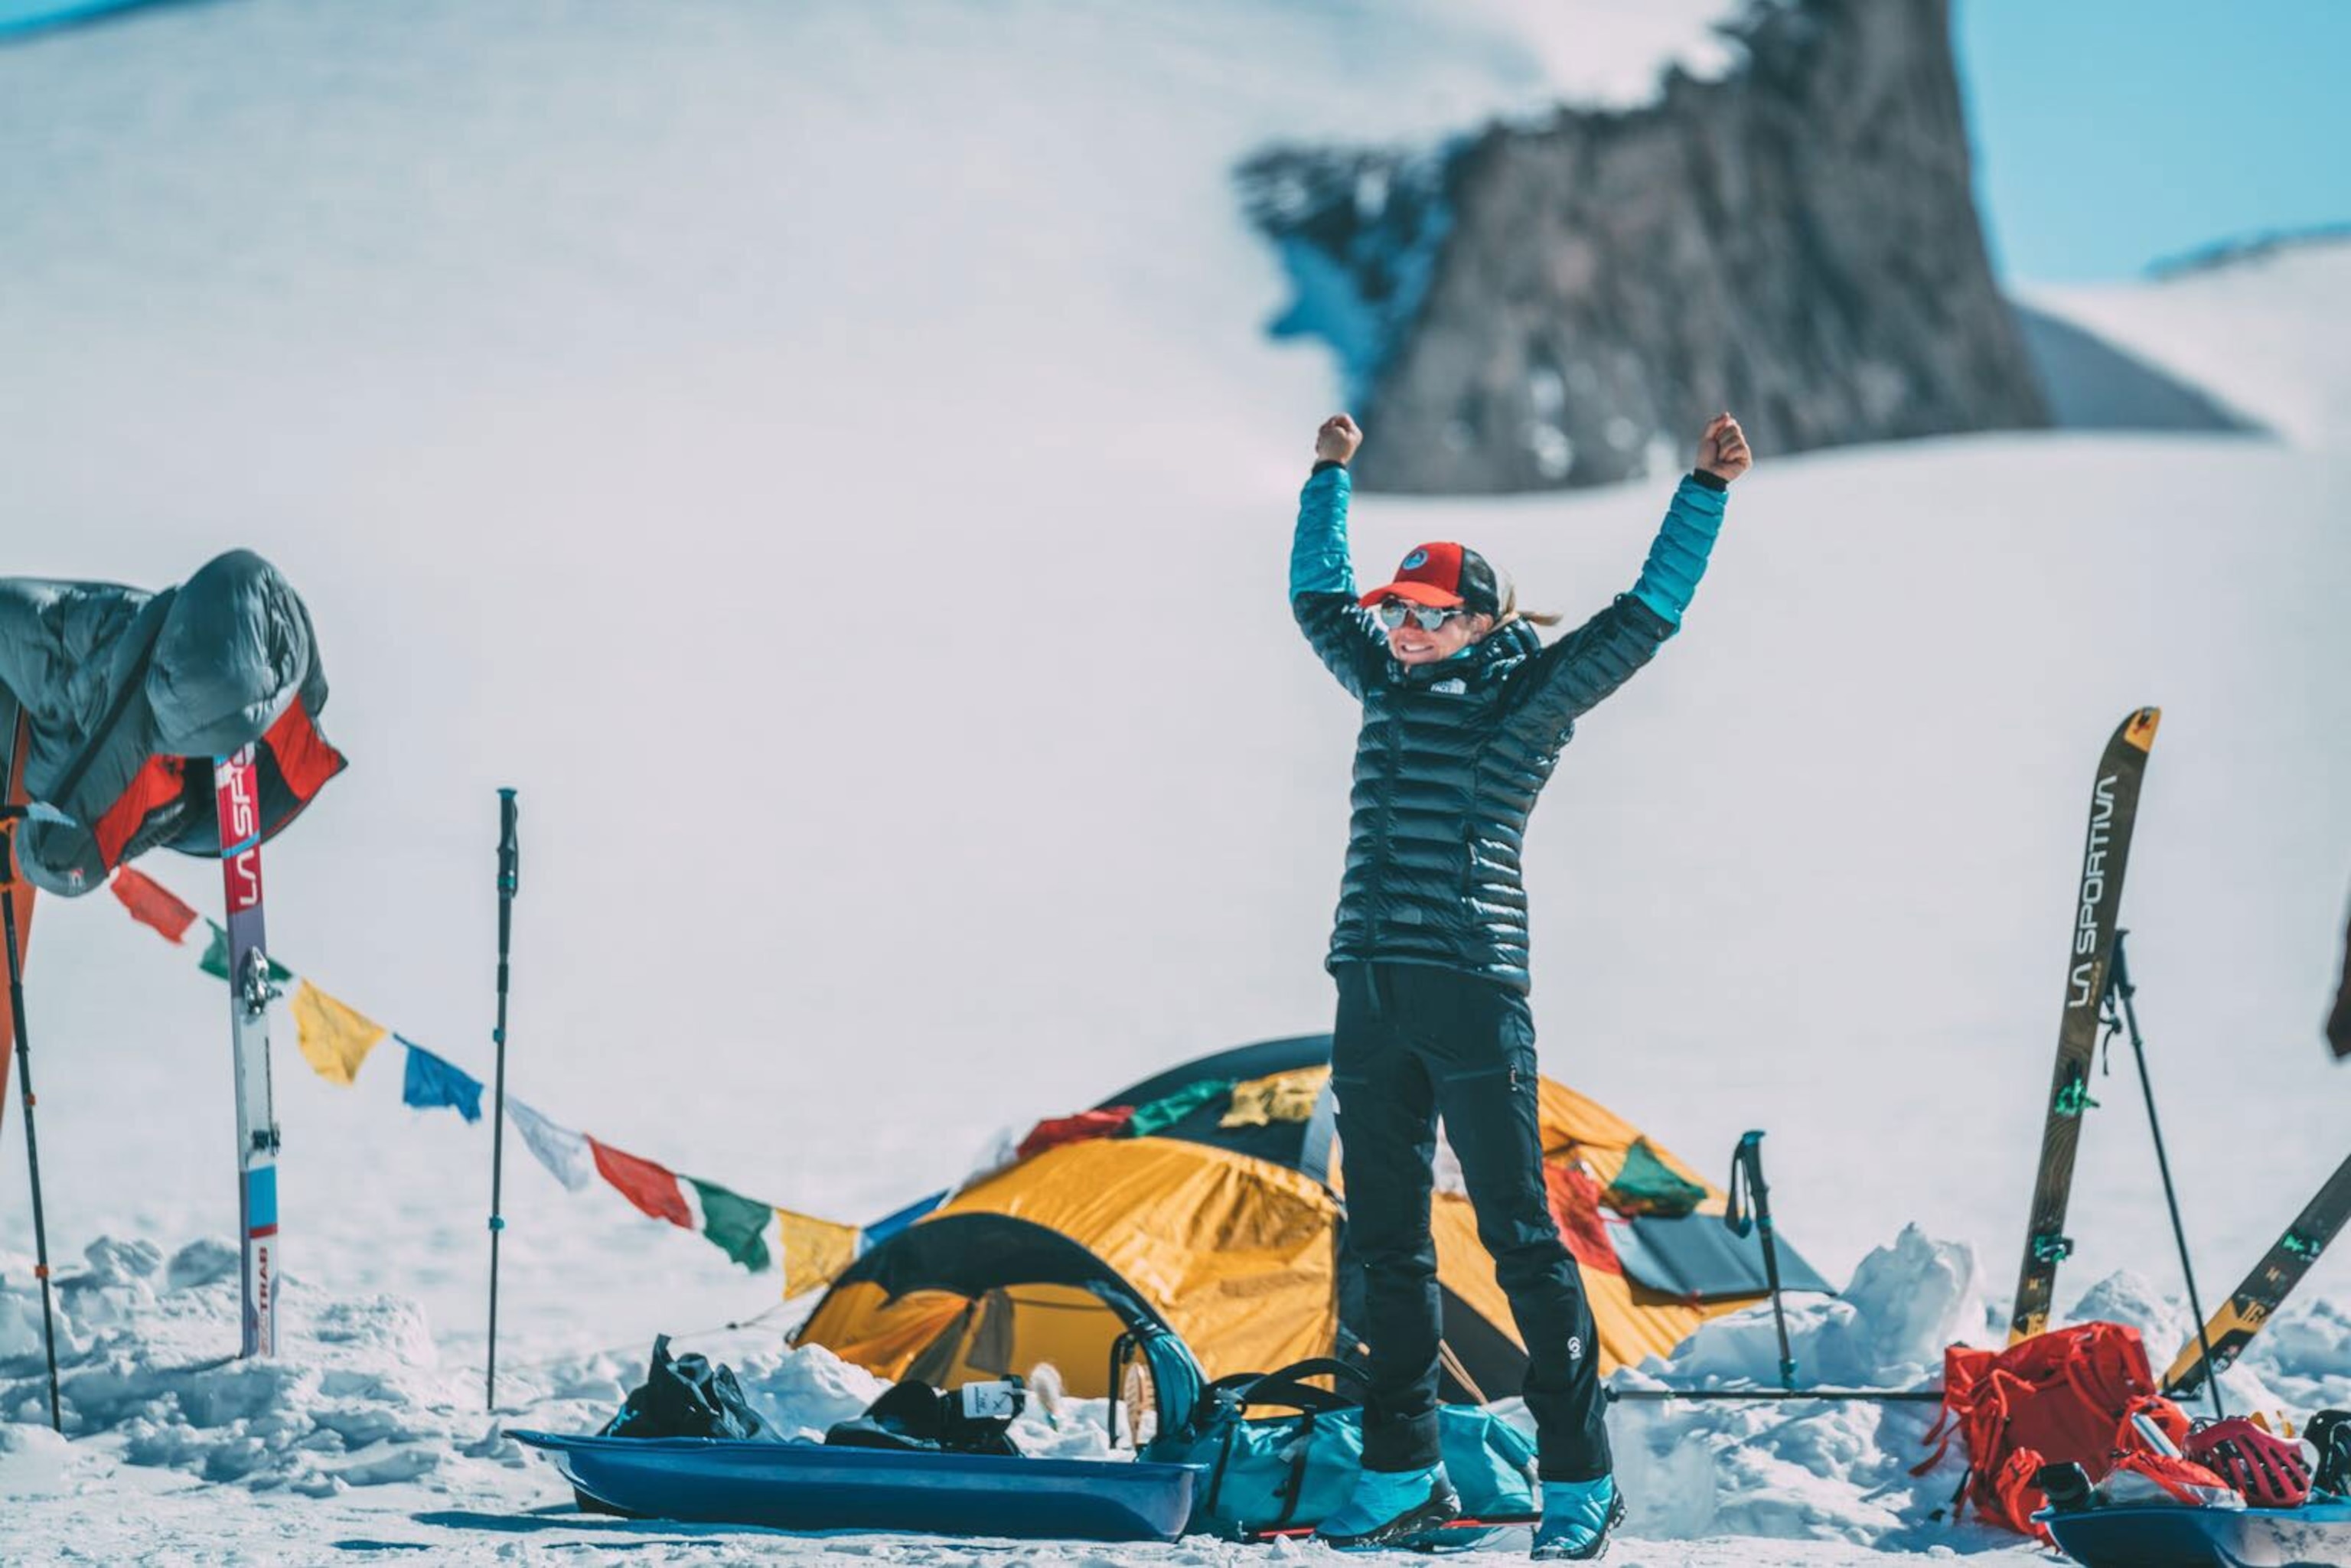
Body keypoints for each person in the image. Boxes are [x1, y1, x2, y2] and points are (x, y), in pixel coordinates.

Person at [1290, 409, 1749, 1557]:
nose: (1402, 628)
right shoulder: (1384, 680)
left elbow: (1645, 620)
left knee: (1520, 1238)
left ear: (1484, 622)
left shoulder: (1523, 698)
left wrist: (1702, 491)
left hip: (1472, 992)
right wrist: (1328, 475)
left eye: (1430, 614)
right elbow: (1313, 597)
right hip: (1372, 992)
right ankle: (1402, 1472)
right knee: (1384, 1240)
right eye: (1396, 609)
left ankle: (1580, 1480)